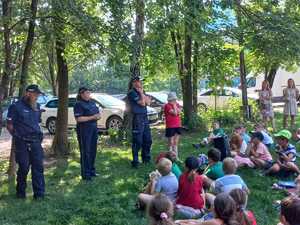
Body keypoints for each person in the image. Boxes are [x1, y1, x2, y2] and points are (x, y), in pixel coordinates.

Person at [6, 84, 45, 199]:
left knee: (38, 167)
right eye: (35, 94)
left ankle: (39, 195)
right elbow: (9, 125)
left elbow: (37, 123)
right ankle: (20, 193)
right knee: (24, 167)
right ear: (28, 93)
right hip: (22, 142)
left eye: (38, 94)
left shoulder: (36, 106)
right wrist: (17, 136)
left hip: (36, 142)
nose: (37, 97)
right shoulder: (15, 107)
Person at [74, 87, 101, 181]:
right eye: (87, 92)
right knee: (86, 152)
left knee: (93, 150)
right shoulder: (79, 104)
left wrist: (98, 116)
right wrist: (93, 117)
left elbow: (98, 114)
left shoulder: (92, 102)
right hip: (84, 130)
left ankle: (92, 171)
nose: (89, 94)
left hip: (94, 128)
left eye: (89, 92)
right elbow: (79, 119)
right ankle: (86, 175)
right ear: (82, 94)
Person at [127, 76, 152, 168]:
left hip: (144, 117)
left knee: (148, 139)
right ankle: (135, 161)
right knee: (138, 141)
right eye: (139, 81)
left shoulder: (142, 91)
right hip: (137, 118)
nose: (140, 83)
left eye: (141, 81)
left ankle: (146, 159)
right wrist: (142, 94)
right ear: (134, 83)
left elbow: (148, 103)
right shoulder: (132, 93)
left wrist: (142, 94)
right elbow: (142, 103)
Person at [164, 92, 182, 159]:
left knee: (176, 142)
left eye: (175, 99)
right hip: (170, 126)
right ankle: (170, 157)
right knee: (171, 142)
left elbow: (179, 112)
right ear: (170, 100)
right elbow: (175, 113)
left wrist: (176, 106)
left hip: (178, 125)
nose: (175, 101)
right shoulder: (167, 106)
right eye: (173, 99)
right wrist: (174, 106)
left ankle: (176, 157)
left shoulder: (177, 104)